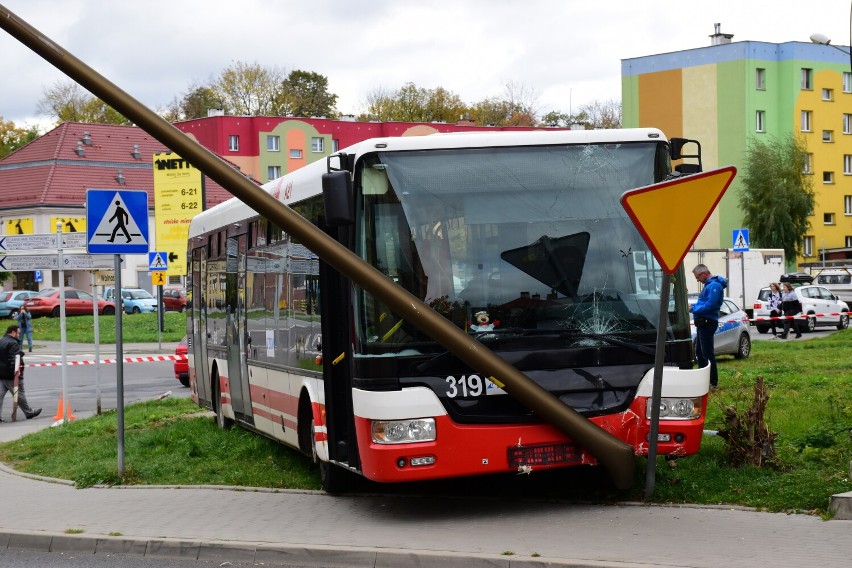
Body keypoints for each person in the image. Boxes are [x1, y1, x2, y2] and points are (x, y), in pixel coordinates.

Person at [690, 264, 727, 390]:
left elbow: (710, 304)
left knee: (707, 353)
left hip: (707, 321)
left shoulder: (714, 286)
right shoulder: (710, 285)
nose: (697, 280)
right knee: (700, 352)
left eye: (697, 277)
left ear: (703, 273)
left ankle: (712, 382)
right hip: (703, 322)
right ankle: (704, 380)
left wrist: (694, 309)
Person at [0, 325, 42, 422]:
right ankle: (29, 412)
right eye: (18, 333)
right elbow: (15, 359)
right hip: (11, 375)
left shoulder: (2, 340)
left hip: (2, 374)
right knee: (19, 394)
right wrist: (16, 373)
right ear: (13, 332)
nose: (19, 335)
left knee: (0, 395)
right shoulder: (13, 343)